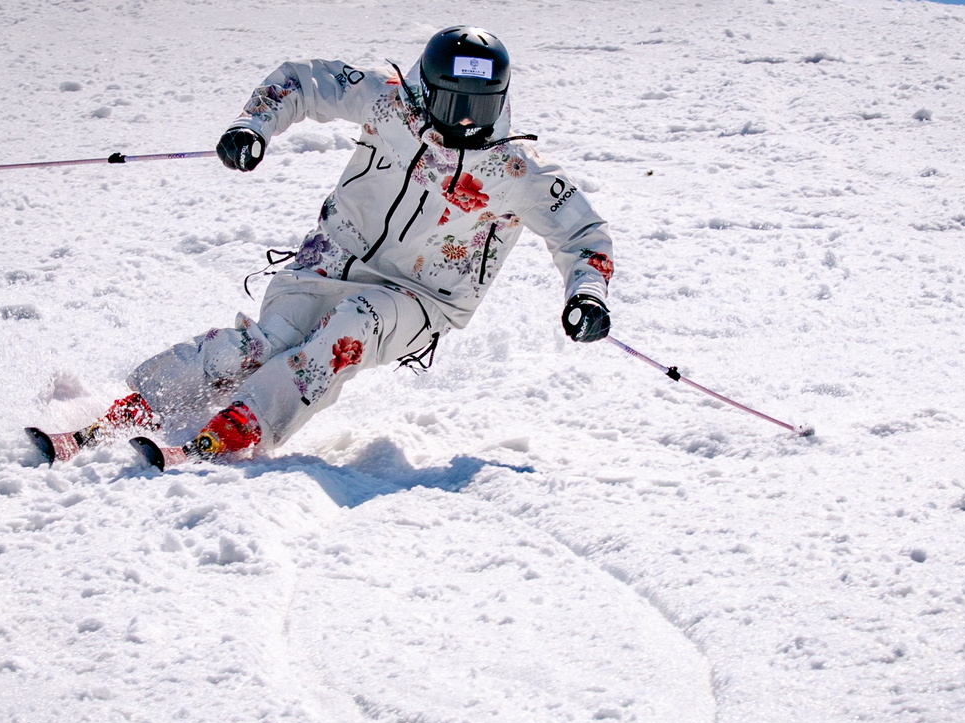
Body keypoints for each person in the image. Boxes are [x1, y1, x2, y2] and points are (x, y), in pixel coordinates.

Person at [30, 26, 614, 467]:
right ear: (426, 89)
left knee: (348, 330)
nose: (464, 122)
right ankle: (147, 402)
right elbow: (302, 81)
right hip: (334, 254)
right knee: (265, 342)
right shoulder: (390, 102)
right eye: (452, 103)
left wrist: (587, 294)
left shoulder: (516, 171)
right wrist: (252, 125)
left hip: (421, 295)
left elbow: (583, 235)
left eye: (479, 107)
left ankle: (246, 423)